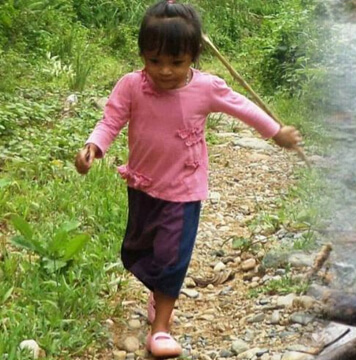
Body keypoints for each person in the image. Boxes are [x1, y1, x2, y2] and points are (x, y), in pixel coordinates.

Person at [74, 1, 301, 357]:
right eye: (155, 61)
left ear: (193, 56)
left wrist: (276, 133)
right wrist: (93, 146)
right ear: (142, 54)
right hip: (143, 185)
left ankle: (161, 327)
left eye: (176, 62)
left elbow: (243, 107)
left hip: (184, 190)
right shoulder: (131, 86)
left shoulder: (206, 88)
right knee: (136, 252)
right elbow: (111, 121)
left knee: (172, 257)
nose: (165, 71)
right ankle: (158, 290)